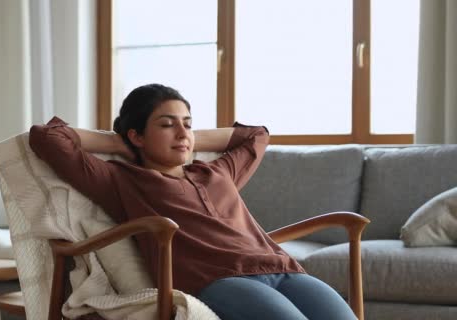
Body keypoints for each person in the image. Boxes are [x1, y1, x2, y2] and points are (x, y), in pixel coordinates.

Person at [29, 84, 356, 320]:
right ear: (137, 135)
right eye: (166, 125)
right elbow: (46, 137)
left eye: (187, 123)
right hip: (219, 280)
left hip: (282, 269)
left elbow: (257, 134)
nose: (183, 133)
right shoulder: (121, 180)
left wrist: (188, 134)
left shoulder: (218, 171)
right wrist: (120, 143)